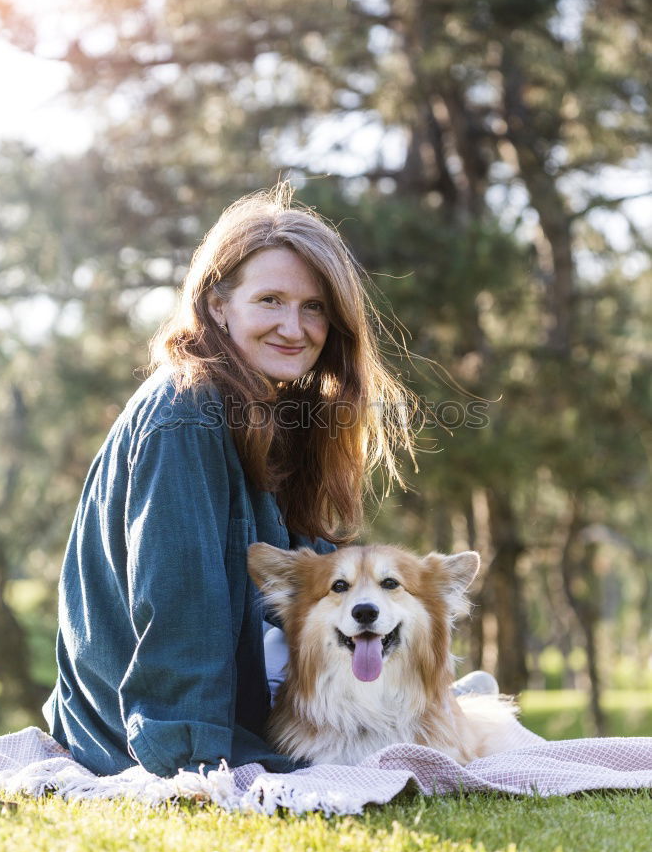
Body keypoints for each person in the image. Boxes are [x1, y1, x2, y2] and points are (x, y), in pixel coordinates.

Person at [42, 183, 418, 778]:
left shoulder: (268, 410)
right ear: (219, 304)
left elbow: (311, 581)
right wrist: (196, 761)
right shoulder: (185, 412)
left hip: (239, 694)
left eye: (314, 306)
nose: (295, 327)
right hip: (148, 723)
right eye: (270, 300)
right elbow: (177, 601)